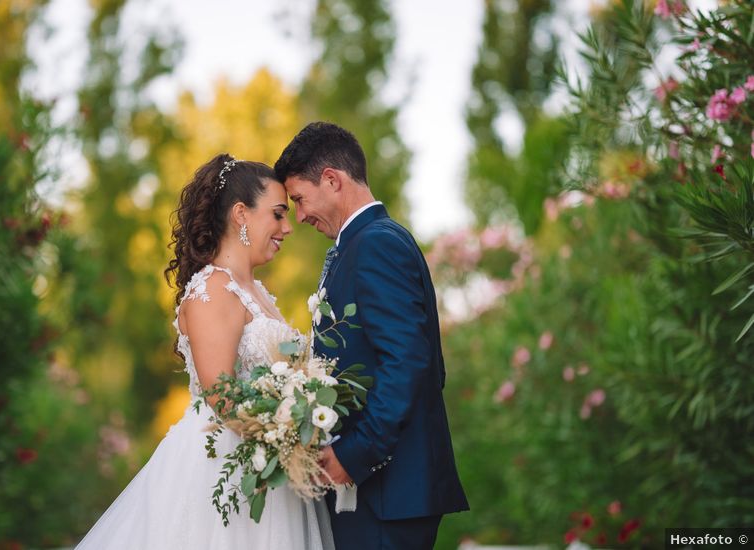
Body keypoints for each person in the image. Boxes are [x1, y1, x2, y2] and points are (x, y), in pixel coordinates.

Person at [75, 154, 334, 550]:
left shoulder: (258, 293)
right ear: (241, 214)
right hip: (223, 466)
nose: (287, 227)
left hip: (267, 464)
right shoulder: (213, 289)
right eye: (278, 214)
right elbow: (222, 395)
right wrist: (287, 432)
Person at [274, 122, 469, 550]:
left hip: (388, 494)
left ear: (332, 180)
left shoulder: (376, 244)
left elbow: (408, 362)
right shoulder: (363, 243)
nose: (300, 215)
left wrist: (353, 455)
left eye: (300, 199)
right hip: (380, 494)